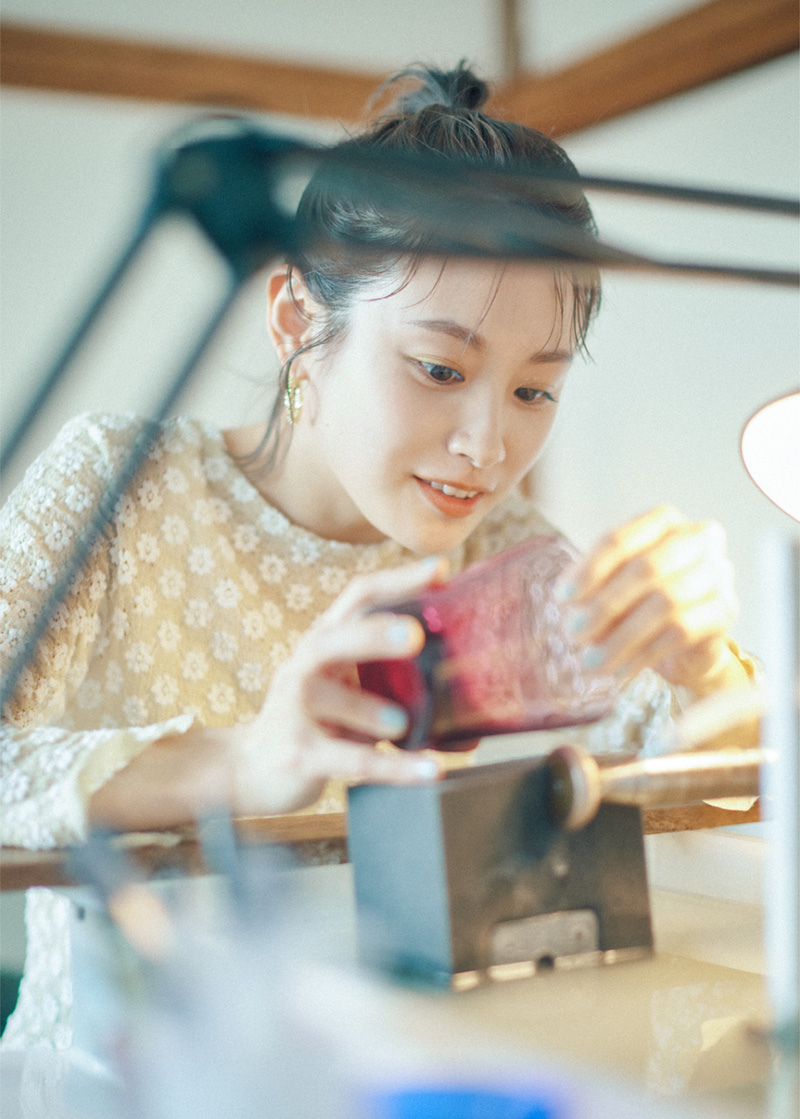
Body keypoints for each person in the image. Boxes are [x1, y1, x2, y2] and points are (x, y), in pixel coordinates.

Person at [0, 64, 755, 1050]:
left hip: (381, 1107)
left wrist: (702, 662)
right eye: (438, 368)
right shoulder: (119, 479)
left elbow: (724, 776)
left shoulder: (512, 549)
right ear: (296, 323)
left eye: (534, 390)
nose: (487, 444)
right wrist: (244, 758)